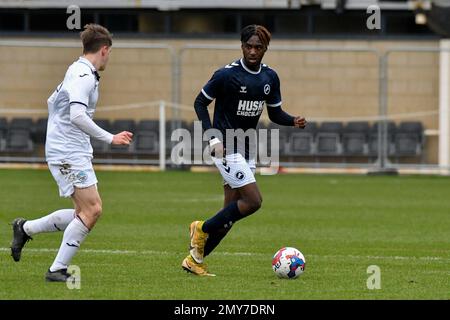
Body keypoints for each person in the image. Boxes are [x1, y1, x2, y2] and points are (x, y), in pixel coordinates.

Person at [10, 24, 133, 282]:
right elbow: (77, 114)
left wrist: (59, 130)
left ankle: (25, 228)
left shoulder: (75, 69)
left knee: (83, 212)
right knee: (92, 210)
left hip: (68, 148)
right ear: (104, 50)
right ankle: (56, 269)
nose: (108, 58)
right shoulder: (84, 75)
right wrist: (110, 137)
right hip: (68, 152)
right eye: (109, 53)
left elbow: (51, 102)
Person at [182, 24, 307, 276]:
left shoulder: (269, 77)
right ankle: (201, 228)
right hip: (226, 147)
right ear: (241, 46)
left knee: (228, 218)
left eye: (258, 47)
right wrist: (212, 138)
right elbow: (200, 102)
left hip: (247, 148)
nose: (252, 51)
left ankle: (194, 261)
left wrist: (292, 120)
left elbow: (275, 113)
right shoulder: (226, 75)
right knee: (253, 201)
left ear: (265, 49)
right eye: (248, 46)